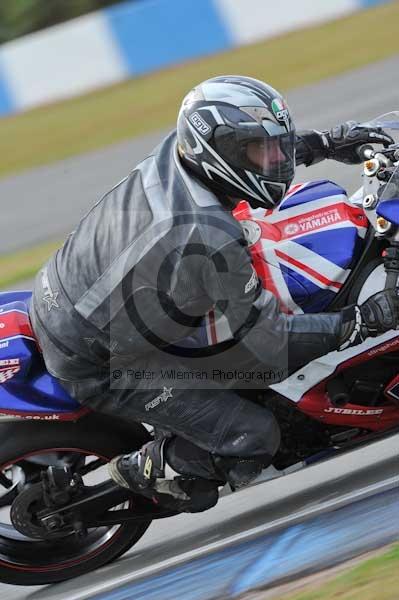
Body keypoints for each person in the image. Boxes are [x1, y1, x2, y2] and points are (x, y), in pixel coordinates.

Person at [29, 75, 399, 513]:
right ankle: (144, 469)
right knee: (255, 435)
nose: (275, 160)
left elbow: (247, 161)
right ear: (218, 152)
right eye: (264, 150)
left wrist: (324, 142)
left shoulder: (180, 153)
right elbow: (271, 342)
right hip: (101, 361)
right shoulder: (207, 236)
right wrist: (363, 320)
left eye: (273, 146)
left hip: (82, 297)